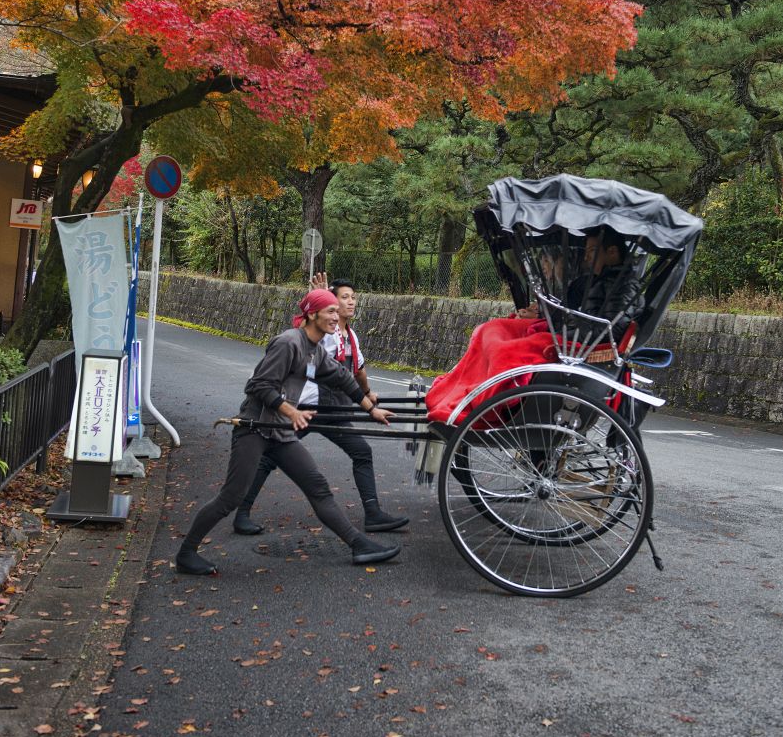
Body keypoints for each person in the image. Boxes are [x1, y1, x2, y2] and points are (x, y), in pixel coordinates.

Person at [176, 289, 401, 576]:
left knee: (317, 486)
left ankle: (360, 545)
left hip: (280, 432)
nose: (336, 317)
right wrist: (291, 411)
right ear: (311, 314)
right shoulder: (288, 343)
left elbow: (343, 378)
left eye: (337, 310)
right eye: (330, 311)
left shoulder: (315, 350)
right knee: (231, 497)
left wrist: (371, 408)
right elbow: (258, 386)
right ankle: (186, 553)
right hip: (256, 427)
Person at [233, 275, 409, 536]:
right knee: (269, 457)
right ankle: (242, 512)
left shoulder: (351, 336)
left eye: (352, 298)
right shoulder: (325, 332)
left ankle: (373, 514)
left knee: (361, 452)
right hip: (307, 407)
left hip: (333, 409)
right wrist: (314, 299)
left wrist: (368, 396)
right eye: (341, 299)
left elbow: (355, 372)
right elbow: (301, 335)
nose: (348, 304)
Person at [426, 226, 644, 423]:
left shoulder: (624, 287)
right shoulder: (599, 280)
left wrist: (564, 328)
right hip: (573, 335)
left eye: (591, 252)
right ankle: (458, 388)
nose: (586, 258)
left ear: (612, 252)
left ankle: (480, 399)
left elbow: (610, 329)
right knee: (492, 329)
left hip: (584, 345)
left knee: (505, 350)